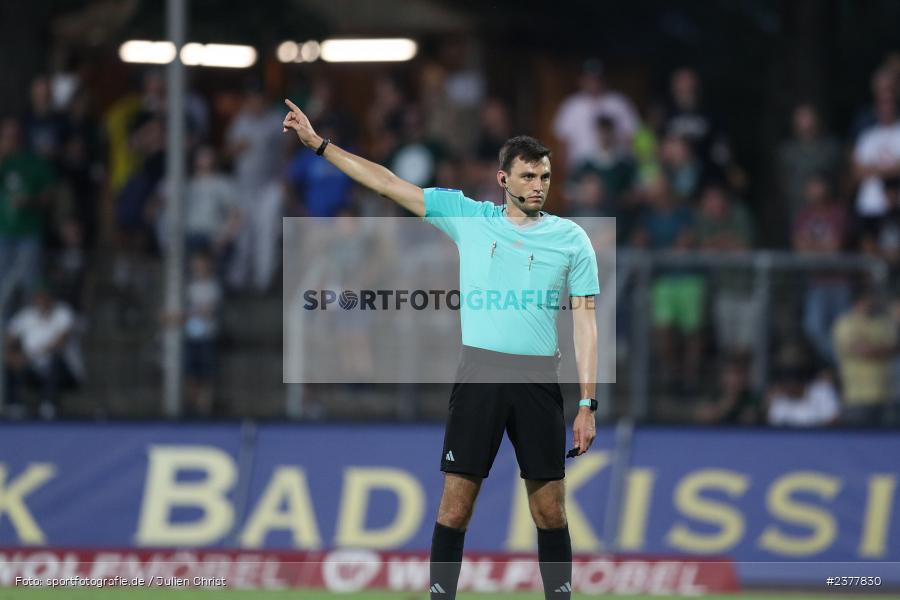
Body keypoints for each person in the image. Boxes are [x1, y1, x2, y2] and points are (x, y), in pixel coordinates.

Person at [282, 99, 600, 600]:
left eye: (545, 176)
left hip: (539, 379)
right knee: (455, 508)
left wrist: (586, 402)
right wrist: (320, 146)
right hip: (481, 373)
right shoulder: (469, 217)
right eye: (529, 176)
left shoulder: (571, 239)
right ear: (503, 180)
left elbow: (585, 319)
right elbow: (387, 182)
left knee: (549, 511)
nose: (539, 185)